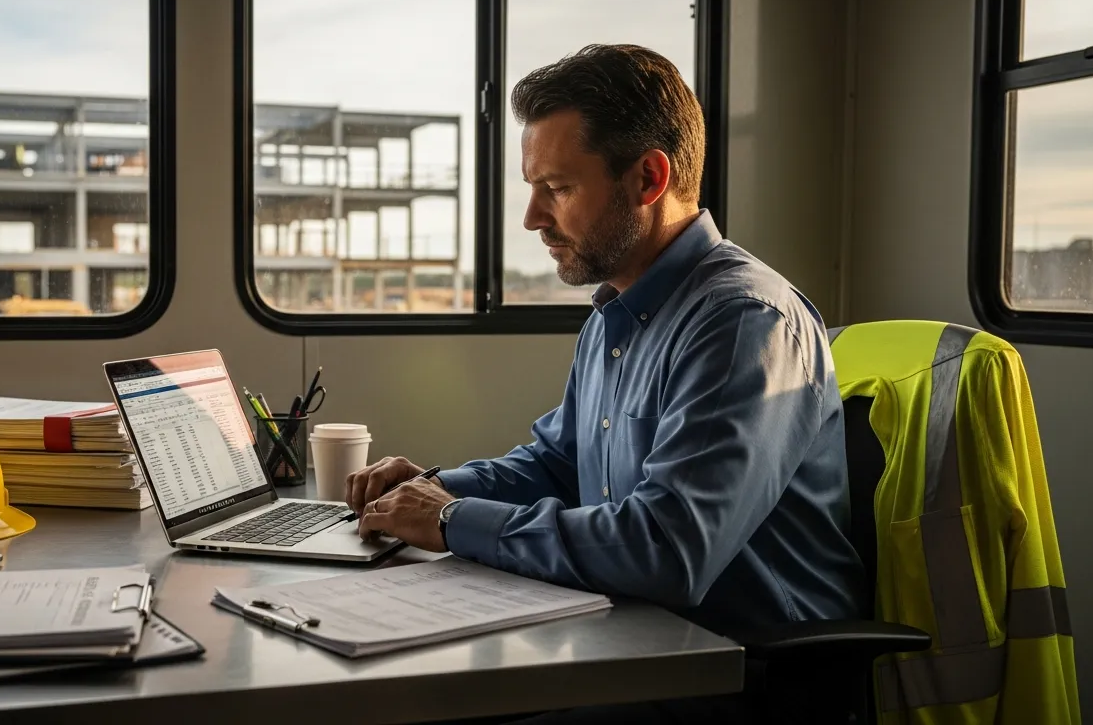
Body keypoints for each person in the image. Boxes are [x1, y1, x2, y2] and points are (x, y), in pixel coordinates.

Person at [346, 44, 864, 723]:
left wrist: (447, 520)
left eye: (556, 188)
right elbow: (561, 463)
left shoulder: (743, 323)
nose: (532, 218)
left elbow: (666, 548)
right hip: (635, 638)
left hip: (740, 671)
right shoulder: (620, 311)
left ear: (648, 177)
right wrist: (436, 486)